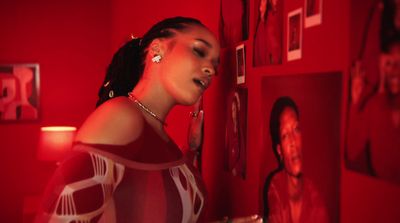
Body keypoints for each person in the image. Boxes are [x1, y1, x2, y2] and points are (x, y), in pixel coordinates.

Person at [34, 16, 220, 223]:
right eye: (199, 51)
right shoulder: (121, 115)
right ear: (158, 50)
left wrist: (191, 149)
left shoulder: (154, 130)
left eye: (215, 64)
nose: (210, 70)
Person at [263, 96, 329, 223]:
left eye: (296, 129)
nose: (293, 141)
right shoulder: (274, 186)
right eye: (285, 135)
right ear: (279, 150)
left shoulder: (317, 203)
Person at [253, 0, 282, 66]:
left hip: (270, 63)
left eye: (263, 1)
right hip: (264, 64)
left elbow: (274, 42)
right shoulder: (261, 23)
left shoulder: (272, 19)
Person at [225, 90, 246, 178]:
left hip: (239, 170)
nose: (234, 113)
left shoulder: (240, 127)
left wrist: (236, 168)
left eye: (235, 109)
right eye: (232, 110)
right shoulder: (229, 127)